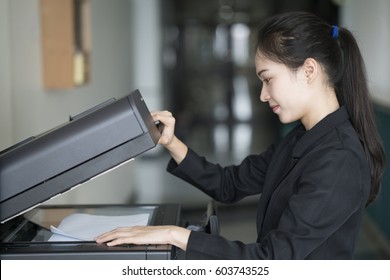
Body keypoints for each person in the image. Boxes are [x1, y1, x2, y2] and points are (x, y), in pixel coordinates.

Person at [95, 11, 386, 259]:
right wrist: (171, 143)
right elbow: (229, 184)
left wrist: (176, 234)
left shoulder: (340, 159)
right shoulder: (302, 139)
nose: (263, 95)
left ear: (309, 70)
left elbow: (272, 259)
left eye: (268, 79)